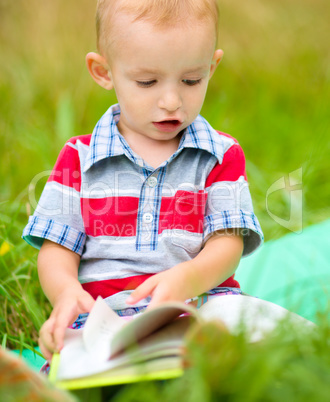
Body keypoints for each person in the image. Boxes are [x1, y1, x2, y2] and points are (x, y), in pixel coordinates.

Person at [22, 0, 263, 363]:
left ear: (211, 67)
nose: (171, 101)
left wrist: (190, 277)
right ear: (104, 72)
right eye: (147, 82)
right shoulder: (79, 158)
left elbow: (227, 243)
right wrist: (66, 292)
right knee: (71, 355)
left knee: (249, 329)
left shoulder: (219, 155)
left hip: (200, 303)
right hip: (105, 316)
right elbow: (57, 247)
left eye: (191, 80)